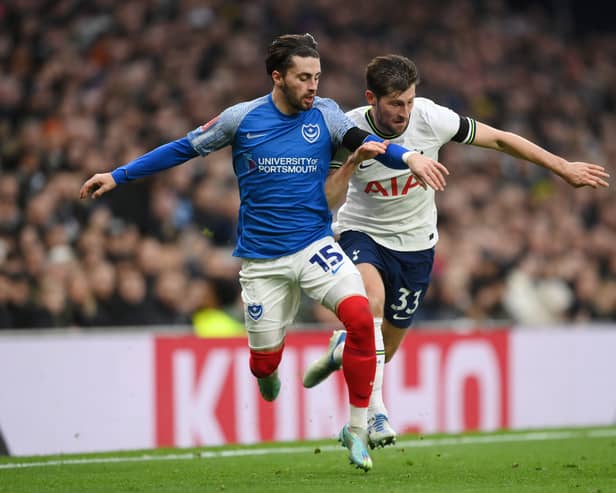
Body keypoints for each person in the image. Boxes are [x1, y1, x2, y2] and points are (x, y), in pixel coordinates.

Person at [79, 35, 450, 471]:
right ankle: (268, 371)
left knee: (361, 316)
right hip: (264, 263)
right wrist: (119, 175)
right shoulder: (241, 119)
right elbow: (182, 148)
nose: (313, 86)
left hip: (315, 246)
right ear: (278, 77)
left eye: (317, 77)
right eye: (303, 78)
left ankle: (357, 427)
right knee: (263, 364)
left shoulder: (327, 114)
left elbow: (364, 140)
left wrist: (407, 158)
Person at [303, 54, 610, 449]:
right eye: (395, 103)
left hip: (417, 246)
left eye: (410, 101)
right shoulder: (347, 131)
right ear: (371, 99)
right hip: (362, 233)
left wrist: (561, 165)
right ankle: (375, 413)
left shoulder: (432, 119)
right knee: (371, 305)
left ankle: (344, 350)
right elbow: (324, 200)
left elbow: (500, 138)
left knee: (387, 347)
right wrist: (352, 164)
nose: (404, 112)